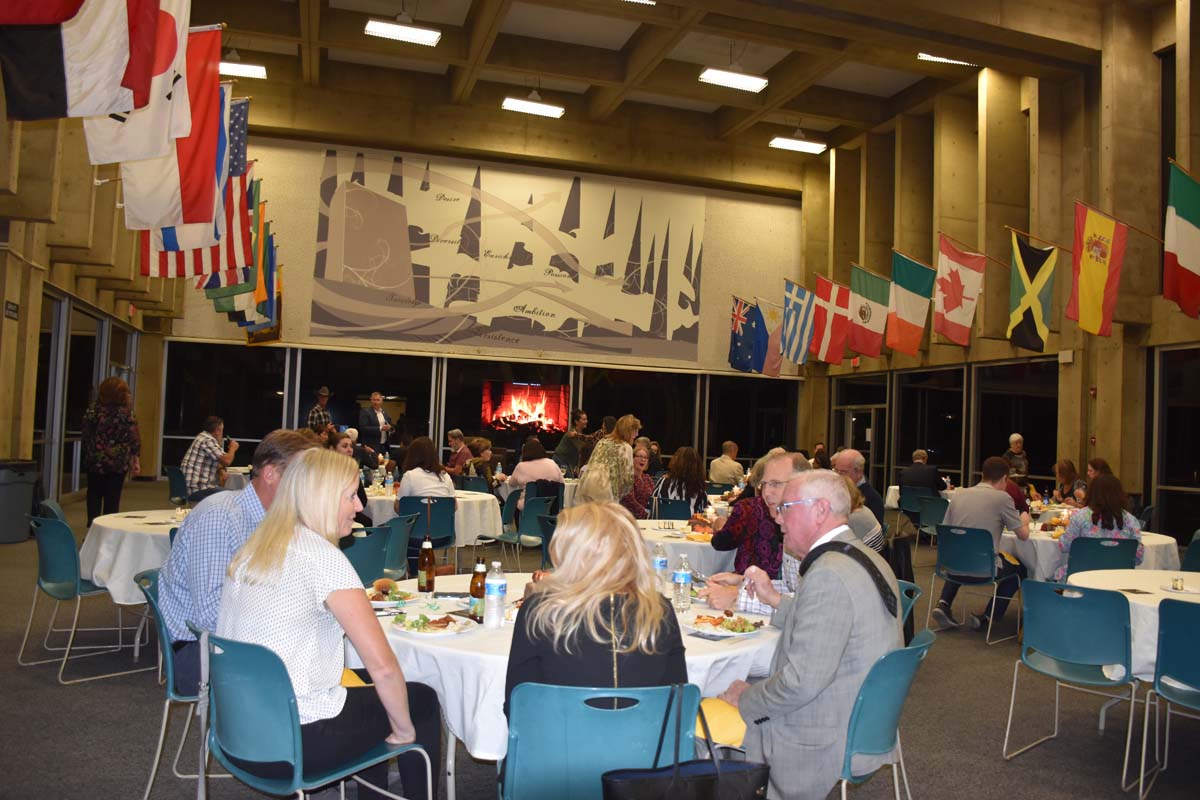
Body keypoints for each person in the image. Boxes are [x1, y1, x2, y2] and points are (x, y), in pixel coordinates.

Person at [216, 447, 440, 800]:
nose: (359, 506)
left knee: (373, 695)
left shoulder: (254, 549)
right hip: (296, 742)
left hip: (238, 732)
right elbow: (383, 667)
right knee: (420, 699)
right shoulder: (322, 558)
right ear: (322, 498)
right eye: (350, 496)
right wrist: (403, 732)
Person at [718, 470, 902, 800]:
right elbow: (832, 620)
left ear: (819, 510)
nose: (778, 518)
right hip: (866, 719)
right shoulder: (865, 556)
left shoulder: (828, 574)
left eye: (786, 508)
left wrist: (746, 699)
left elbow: (800, 684)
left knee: (704, 718)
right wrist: (776, 602)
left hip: (822, 733)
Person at [158, 429, 317, 695]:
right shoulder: (220, 518)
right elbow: (211, 616)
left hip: (238, 639)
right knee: (315, 672)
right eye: (303, 477)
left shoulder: (275, 520)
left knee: (328, 655)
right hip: (200, 651)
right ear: (270, 474)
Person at [503, 502, 687, 720]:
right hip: (649, 740)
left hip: (558, 740)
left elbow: (517, 706)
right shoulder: (658, 610)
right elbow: (678, 703)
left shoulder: (540, 611)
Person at [930, 456, 1031, 632]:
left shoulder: (959, 494)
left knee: (964, 551)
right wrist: (1025, 519)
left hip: (950, 566)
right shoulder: (1002, 498)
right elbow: (1023, 535)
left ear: (983, 475)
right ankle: (987, 617)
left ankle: (944, 603)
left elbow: (945, 529)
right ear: (1004, 478)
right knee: (1020, 570)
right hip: (983, 571)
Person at [699, 452, 810, 613]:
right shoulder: (789, 529)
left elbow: (809, 608)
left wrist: (738, 597)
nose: (766, 493)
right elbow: (790, 588)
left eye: (775, 483)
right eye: (764, 484)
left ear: (803, 486)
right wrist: (743, 582)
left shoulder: (817, 537)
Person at [1054, 473, 1143, 581]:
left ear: (1092, 493)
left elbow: (1064, 546)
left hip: (1081, 578)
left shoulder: (1080, 517)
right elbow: (1138, 557)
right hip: (1118, 580)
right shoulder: (1131, 521)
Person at [81, 376, 140, 526]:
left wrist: (92, 451)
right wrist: (135, 460)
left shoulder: (93, 411)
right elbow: (134, 438)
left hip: (95, 461)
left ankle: (93, 528)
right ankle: (109, 528)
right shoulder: (126, 413)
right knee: (112, 498)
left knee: (93, 495)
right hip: (117, 463)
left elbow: (86, 435)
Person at [710, 455, 782, 578]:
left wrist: (719, 525)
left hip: (748, 579)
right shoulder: (792, 508)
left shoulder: (746, 508)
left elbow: (721, 543)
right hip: (782, 579)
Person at [181, 416, 239, 501]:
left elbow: (218, 460)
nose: (222, 434)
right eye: (222, 430)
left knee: (227, 492)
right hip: (198, 489)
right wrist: (233, 448)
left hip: (190, 487)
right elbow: (227, 461)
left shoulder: (202, 436)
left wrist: (220, 470)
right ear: (217, 431)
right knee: (234, 495)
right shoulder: (207, 440)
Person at [585, 414, 641, 501]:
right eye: (635, 431)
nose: (637, 434)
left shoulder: (602, 442)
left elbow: (590, 464)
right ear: (628, 431)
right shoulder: (626, 447)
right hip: (608, 492)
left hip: (589, 487)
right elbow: (627, 479)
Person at [327, 431, 372, 526]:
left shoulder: (351, 470)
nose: (350, 450)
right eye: (344, 446)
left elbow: (362, 500)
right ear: (332, 449)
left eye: (351, 446)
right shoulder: (325, 472)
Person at [506, 436, 563, 510]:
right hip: (552, 506)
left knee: (514, 503)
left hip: (528, 506)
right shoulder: (552, 463)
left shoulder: (521, 466)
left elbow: (511, 483)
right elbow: (562, 484)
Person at [395, 436, 455, 504]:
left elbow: (399, 505)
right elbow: (454, 505)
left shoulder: (409, 476)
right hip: (441, 511)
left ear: (412, 456)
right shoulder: (445, 476)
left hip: (417, 511)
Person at [831, 448, 884, 525]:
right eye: (836, 470)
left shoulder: (872, 499)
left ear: (859, 472)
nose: (838, 476)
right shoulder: (835, 490)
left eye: (843, 472)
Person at [652, 446, 710, 515]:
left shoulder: (663, 482)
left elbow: (652, 504)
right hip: (690, 520)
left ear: (675, 463)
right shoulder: (699, 488)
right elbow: (705, 511)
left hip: (665, 519)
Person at [843, 476, 885, 552]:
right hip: (874, 555)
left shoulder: (853, 517)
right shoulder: (862, 509)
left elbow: (843, 548)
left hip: (867, 557)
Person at [620, 443, 655, 519]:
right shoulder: (628, 478)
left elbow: (654, 497)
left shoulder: (647, 478)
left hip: (649, 517)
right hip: (631, 517)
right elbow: (630, 501)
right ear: (632, 458)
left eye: (646, 457)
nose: (643, 460)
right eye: (640, 456)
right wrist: (647, 515)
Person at [357, 391, 393, 459]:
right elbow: (363, 428)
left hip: (384, 446)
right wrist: (380, 428)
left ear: (382, 401)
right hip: (371, 446)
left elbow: (389, 425)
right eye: (374, 400)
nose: (375, 402)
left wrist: (390, 429)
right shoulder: (365, 412)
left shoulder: (384, 413)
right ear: (371, 400)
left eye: (378, 400)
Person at [552, 409, 589, 473]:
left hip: (568, 462)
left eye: (586, 419)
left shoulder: (579, 434)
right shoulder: (571, 433)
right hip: (561, 460)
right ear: (576, 421)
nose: (586, 421)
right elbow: (581, 448)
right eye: (584, 419)